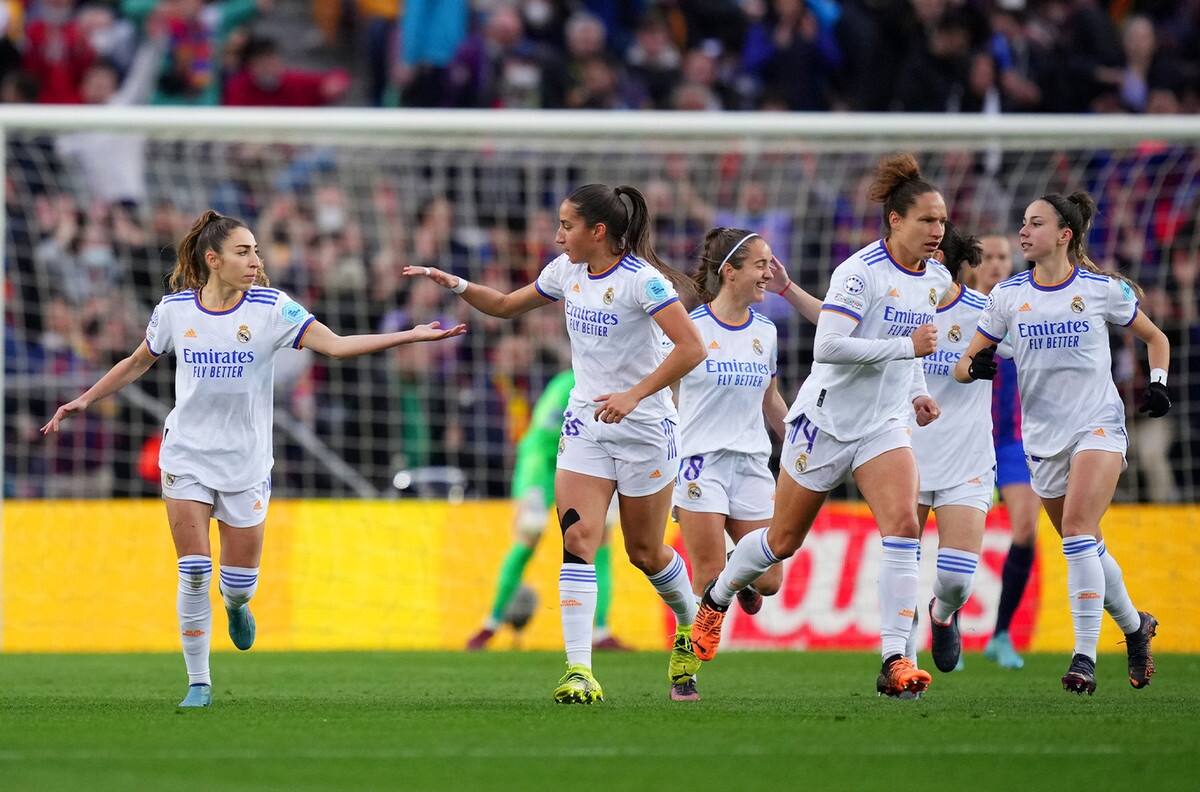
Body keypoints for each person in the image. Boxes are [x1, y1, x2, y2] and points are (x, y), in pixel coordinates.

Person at [42, 210, 465, 708]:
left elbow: (337, 347)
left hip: (246, 462)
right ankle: (198, 682)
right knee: (194, 570)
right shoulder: (175, 310)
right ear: (213, 259)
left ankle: (237, 605)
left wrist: (409, 336)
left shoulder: (272, 308)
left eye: (257, 251)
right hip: (187, 455)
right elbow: (138, 361)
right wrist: (86, 398)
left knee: (237, 587)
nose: (255, 260)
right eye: (244, 252)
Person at [405, 184, 707, 703]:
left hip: (645, 429)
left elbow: (692, 347)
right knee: (578, 540)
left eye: (567, 225)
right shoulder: (565, 271)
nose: (557, 234)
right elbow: (502, 306)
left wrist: (635, 395)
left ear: (598, 232)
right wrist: (453, 282)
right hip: (586, 425)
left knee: (644, 551)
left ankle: (687, 624)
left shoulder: (643, 282)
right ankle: (579, 672)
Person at [690, 153, 952, 699]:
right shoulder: (859, 273)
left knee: (904, 526)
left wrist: (920, 392)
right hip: (824, 422)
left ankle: (895, 659)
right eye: (927, 220)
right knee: (781, 542)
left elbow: (914, 353)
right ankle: (716, 600)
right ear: (896, 220)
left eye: (943, 221)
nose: (937, 230)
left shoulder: (936, 279)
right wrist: (907, 347)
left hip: (883, 424)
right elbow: (828, 346)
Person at [955, 192, 1167, 695]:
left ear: (1064, 235)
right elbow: (965, 363)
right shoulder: (1007, 297)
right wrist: (975, 367)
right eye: (1023, 223)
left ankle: (1084, 659)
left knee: (1076, 531)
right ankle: (1136, 627)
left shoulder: (1102, 290)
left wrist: (1158, 381)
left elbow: (1157, 338)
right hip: (1041, 440)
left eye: (1035, 223)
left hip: (1097, 427)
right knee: (1086, 544)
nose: (1023, 232)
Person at [671, 228, 798, 697]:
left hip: (751, 464)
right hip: (699, 463)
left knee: (768, 580)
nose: (770, 272)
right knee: (705, 580)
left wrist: (802, 444)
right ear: (730, 271)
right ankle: (685, 669)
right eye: (761, 264)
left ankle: (737, 571)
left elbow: (770, 399)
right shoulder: (690, 328)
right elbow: (665, 392)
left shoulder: (766, 332)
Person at [466, 369, 629, 652]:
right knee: (529, 532)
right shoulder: (567, 384)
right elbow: (542, 436)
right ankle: (489, 625)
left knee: (600, 537)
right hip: (542, 464)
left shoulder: (622, 387)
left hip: (585, 465)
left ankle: (601, 631)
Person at [907, 222, 988, 674]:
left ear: (942, 263)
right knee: (900, 569)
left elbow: (1031, 347)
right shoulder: (898, 309)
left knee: (957, 580)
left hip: (966, 459)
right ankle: (899, 661)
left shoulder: (984, 312)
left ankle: (942, 613)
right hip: (904, 456)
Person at [966, 234, 1038, 670]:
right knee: (954, 539)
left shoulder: (1021, 309)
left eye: (1003, 257)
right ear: (972, 264)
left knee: (1025, 529)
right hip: (967, 437)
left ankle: (1001, 633)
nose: (996, 264)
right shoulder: (959, 312)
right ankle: (946, 620)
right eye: (988, 257)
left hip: (1012, 440)